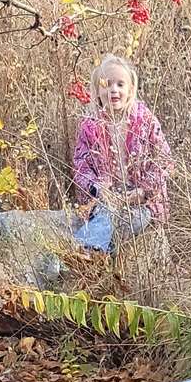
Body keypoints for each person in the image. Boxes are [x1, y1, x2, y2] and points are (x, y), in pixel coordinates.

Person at [72, 54, 173, 252]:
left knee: (124, 219)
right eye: (107, 84)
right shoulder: (89, 127)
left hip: (143, 201)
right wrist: (100, 190)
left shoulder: (145, 121)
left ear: (130, 89)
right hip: (106, 198)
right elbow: (80, 167)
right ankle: (88, 252)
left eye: (120, 84)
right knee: (106, 213)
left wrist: (143, 192)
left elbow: (164, 160)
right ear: (97, 90)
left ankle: (85, 249)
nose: (114, 90)